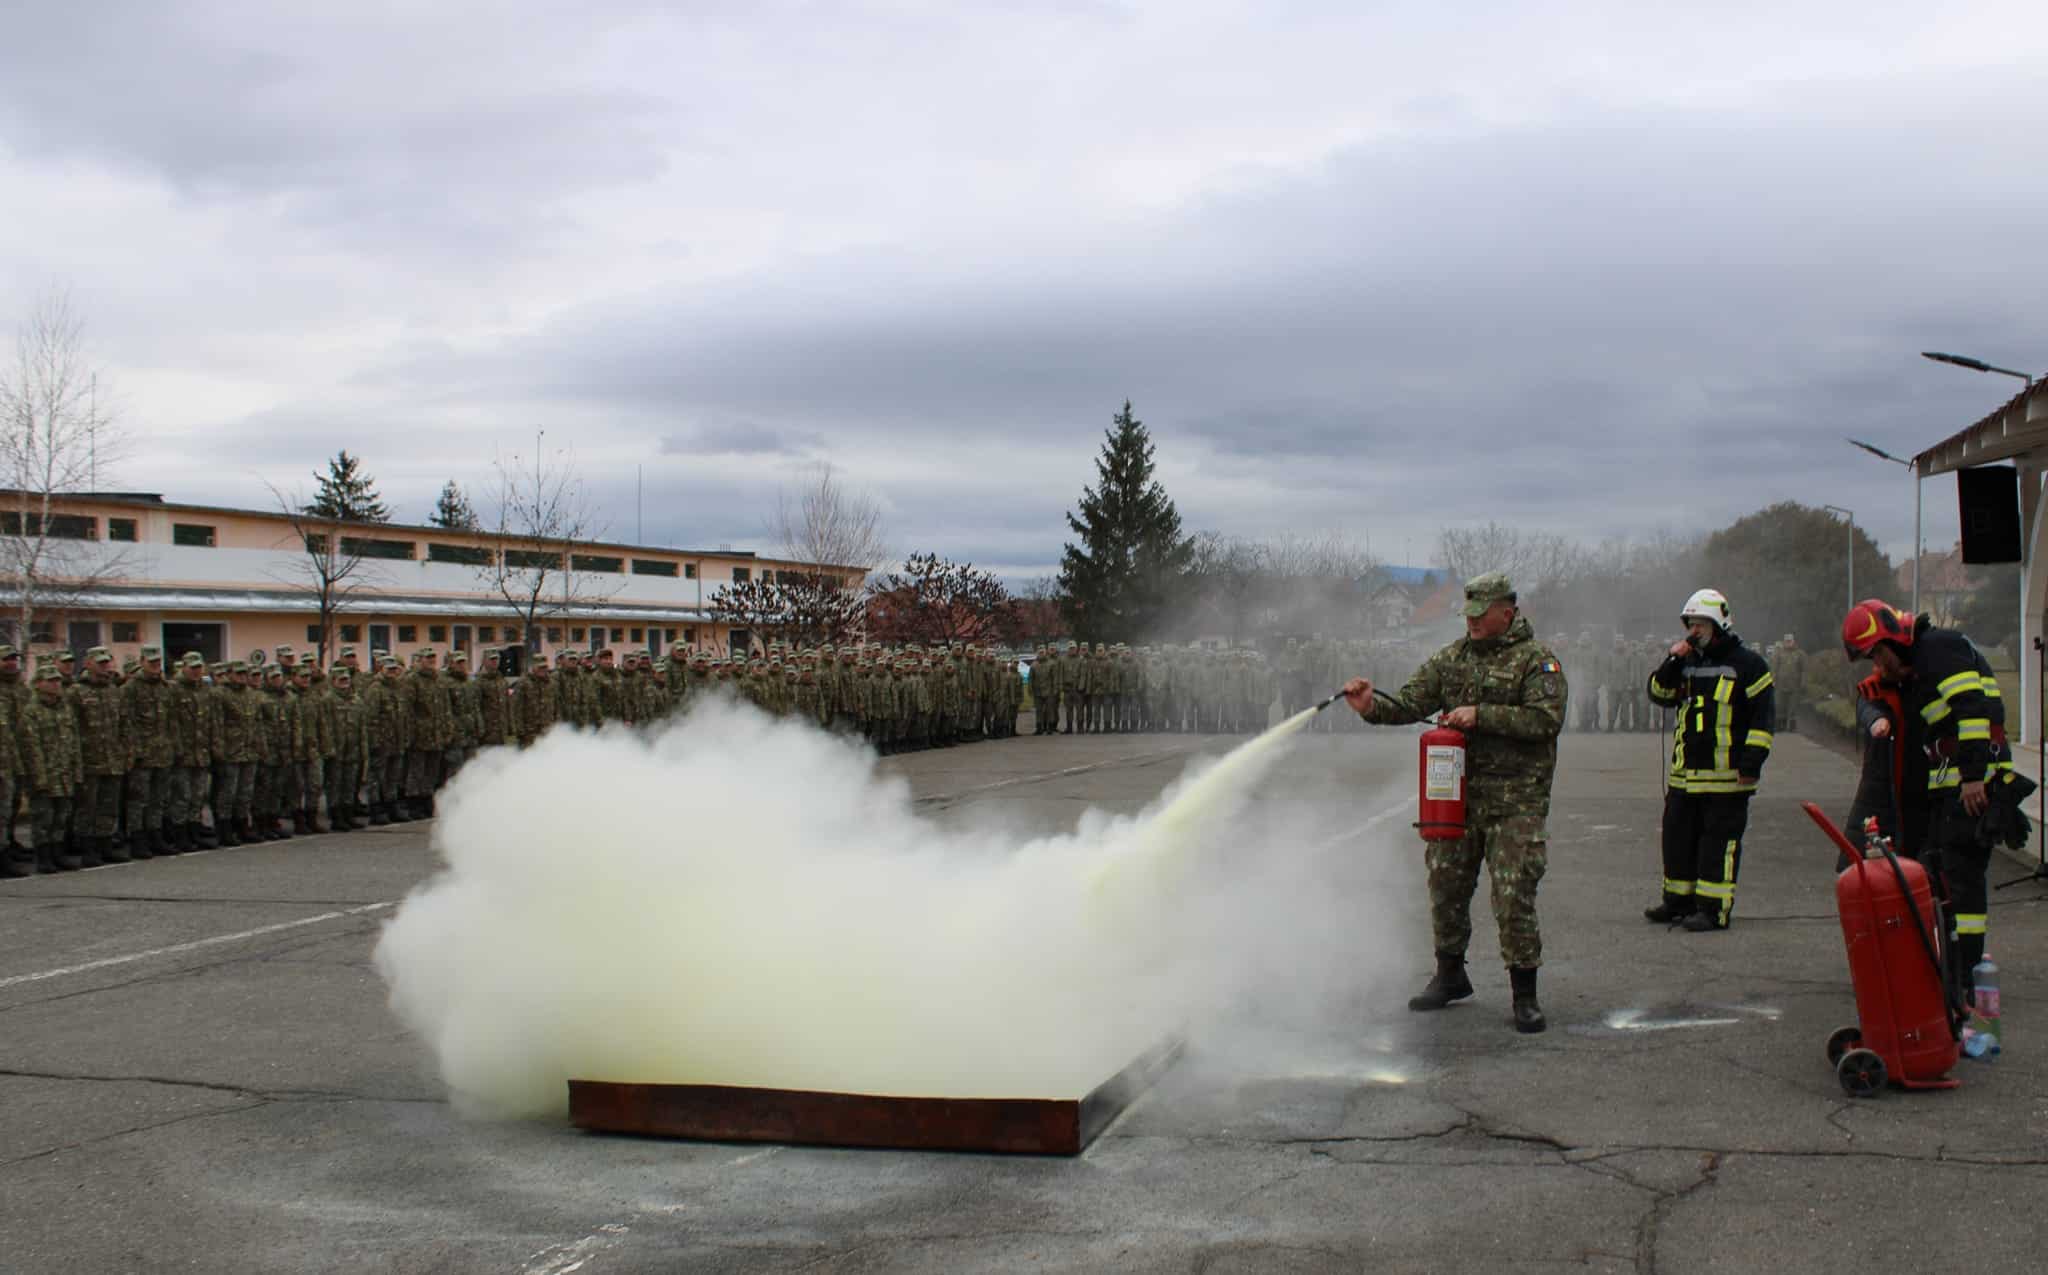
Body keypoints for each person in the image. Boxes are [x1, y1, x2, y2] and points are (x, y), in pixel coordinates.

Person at [1342, 571, 1567, 1033]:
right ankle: (1450, 976)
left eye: (1482, 614)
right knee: (1445, 887)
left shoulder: (1537, 661)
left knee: (1512, 895)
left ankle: (1525, 995)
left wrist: (1480, 715)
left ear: (1508, 611)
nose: (1473, 622)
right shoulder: (1450, 659)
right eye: (1468, 614)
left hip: (1515, 802)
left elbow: (1546, 720)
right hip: (1456, 800)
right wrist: (1369, 706)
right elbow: (1407, 703)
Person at [1840, 598, 2026, 1006]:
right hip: (1952, 782)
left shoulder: (1940, 648)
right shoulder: (1919, 664)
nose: (1879, 665)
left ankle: (1965, 981)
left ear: (1893, 638)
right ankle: (1953, 973)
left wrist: (1974, 777)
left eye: (1877, 654)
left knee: (1961, 884)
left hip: (1972, 782)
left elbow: (1972, 711)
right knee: (1943, 879)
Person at [1644, 589, 1774, 931]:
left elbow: (1763, 720)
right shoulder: (1685, 662)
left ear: (1720, 624)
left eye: (1701, 623)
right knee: (1677, 840)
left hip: (1727, 778)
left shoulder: (1749, 664)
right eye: (1691, 624)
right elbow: (1658, 694)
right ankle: (1678, 902)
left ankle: (1713, 910)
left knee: (1717, 845)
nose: (1694, 631)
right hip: (1685, 776)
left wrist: (1751, 765)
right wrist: (1672, 660)